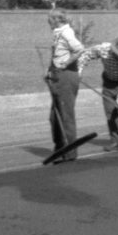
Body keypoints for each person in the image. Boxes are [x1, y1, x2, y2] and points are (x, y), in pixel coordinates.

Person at [78, 35, 118, 152]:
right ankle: (116, 141)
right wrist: (79, 71)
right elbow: (85, 55)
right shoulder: (103, 49)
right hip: (109, 81)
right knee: (111, 111)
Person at [44, 11, 84, 163]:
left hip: (66, 76)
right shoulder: (58, 33)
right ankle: (60, 147)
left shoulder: (66, 32)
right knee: (54, 116)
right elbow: (57, 54)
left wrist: (66, 63)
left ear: (57, 19)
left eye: (50, 19)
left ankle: (70, 152)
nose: (48, 22)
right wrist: (49, 71)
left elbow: (79, 49)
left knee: (65, 115)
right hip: (57, 75)